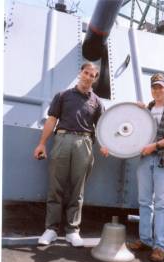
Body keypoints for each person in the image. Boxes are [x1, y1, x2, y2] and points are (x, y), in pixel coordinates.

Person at [34, 63, 108, 247]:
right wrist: (42, 143)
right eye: (86, 73)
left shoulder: (97, 102)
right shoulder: (63, 96)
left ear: (95, 78)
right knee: (55, 186)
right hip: (62, 140)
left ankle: (73, 230)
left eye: (93, 75)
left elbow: (102, 127)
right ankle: (51, 229)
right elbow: (52, 120)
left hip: (84, 143)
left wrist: (105, 145)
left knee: (78, 189)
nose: (89, 77)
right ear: (79, 73)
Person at [128, 73, 164, 262]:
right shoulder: (148, 108)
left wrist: (155, 146)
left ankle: (159, 246)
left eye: (161, 87)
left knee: (161, 204)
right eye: (154, 87)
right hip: (145, 160)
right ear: (151, 90)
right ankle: (145, 240)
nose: (158, 90)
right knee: (144, 201)